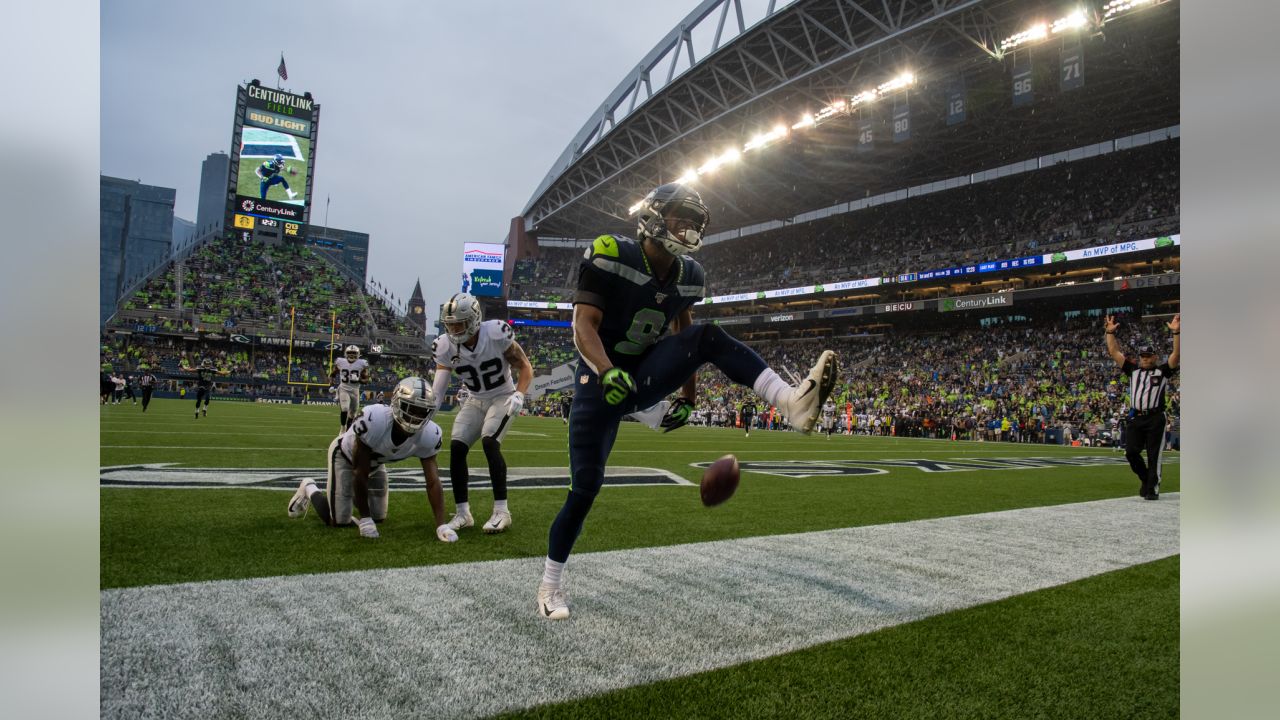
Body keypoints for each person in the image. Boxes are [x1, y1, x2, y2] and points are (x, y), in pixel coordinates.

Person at [536, 182, 838, 620]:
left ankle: (790, 402)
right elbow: (583, 326)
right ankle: (549, 586)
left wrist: (688, 398)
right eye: (682, 218)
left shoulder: (688, 274)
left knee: (709, 336)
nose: (689, 228)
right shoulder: (611, 253)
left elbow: (685, 332)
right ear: (655, 216)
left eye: (696, 222)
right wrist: (605, 371)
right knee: (585, 487)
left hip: (643, 373)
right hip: (598, 376)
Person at [288, 377, 456, 541]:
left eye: (422, 411)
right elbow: (359, 473)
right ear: (397, 403)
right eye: (410, 409)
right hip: (346, 457)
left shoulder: (430, 434)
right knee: (339, 520)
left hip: (376, 463)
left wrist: (441, 525)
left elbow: (433, 482)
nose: (415, 417)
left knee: (379, 516)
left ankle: (348, 497)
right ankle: (309, 487)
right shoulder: (376, 419)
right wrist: (364, 518)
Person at [432, 293, 534, 535]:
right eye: (451, 324)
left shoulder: (496, 333)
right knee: (457, 447)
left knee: (490, 441)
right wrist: (429, 416)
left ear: (475, 319)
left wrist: (519, 394)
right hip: (475, 398)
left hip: (503, 395)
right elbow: (438, 390)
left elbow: (525, 366)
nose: (454, 328)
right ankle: (463, 513)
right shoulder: (445, 346)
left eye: (460, 322)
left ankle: (502, 511)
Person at [1105, 313, 1180, 500]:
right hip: (1136, 417)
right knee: (1131, 452)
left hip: (1155, 417)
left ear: (1154, 357)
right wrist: (1109, 332)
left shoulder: (1162, 371)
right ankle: (1146, 479)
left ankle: (1152, 488)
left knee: (1155, 455)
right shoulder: (1133, 371)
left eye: (1148, 356)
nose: (1144, 359)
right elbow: (1114, 352)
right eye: (1142, 356)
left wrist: (1176, 332)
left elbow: (1176, 355)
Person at [330, 345, 371, 431]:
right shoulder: (340, 361)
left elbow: (366, 380)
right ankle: (342, 428)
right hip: (344, 388)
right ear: (346, 354)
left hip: (355, 390)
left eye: (354, 353)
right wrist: (331, 383)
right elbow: (333, 374)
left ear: (358, 354)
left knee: (352, 414)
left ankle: (348, 431)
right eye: (350, 353)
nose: (352, 355)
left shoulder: (362, 363)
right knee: (345, 408)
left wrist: (359, 379)